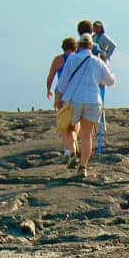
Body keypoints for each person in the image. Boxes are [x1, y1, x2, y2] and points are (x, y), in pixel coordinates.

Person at [53, 32, 116, 180]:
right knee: (87, 136)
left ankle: (72, 152)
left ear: (78, 46)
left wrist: (58, 97)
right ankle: (83, 167)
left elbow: (63, 81)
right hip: (93, 101)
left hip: (73, 100)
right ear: (91, 46)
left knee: (68, 128)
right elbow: (110, 81)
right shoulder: (97, 61)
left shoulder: (72, 59)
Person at [46, 36, 77, 165]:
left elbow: (51, 76)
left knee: (64, 125)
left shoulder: (59, 60)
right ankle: (73, 148)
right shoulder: (78, 59)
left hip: (62, 94)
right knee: (74, 126)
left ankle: (68, 152)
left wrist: (49, 90)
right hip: (77, 94)